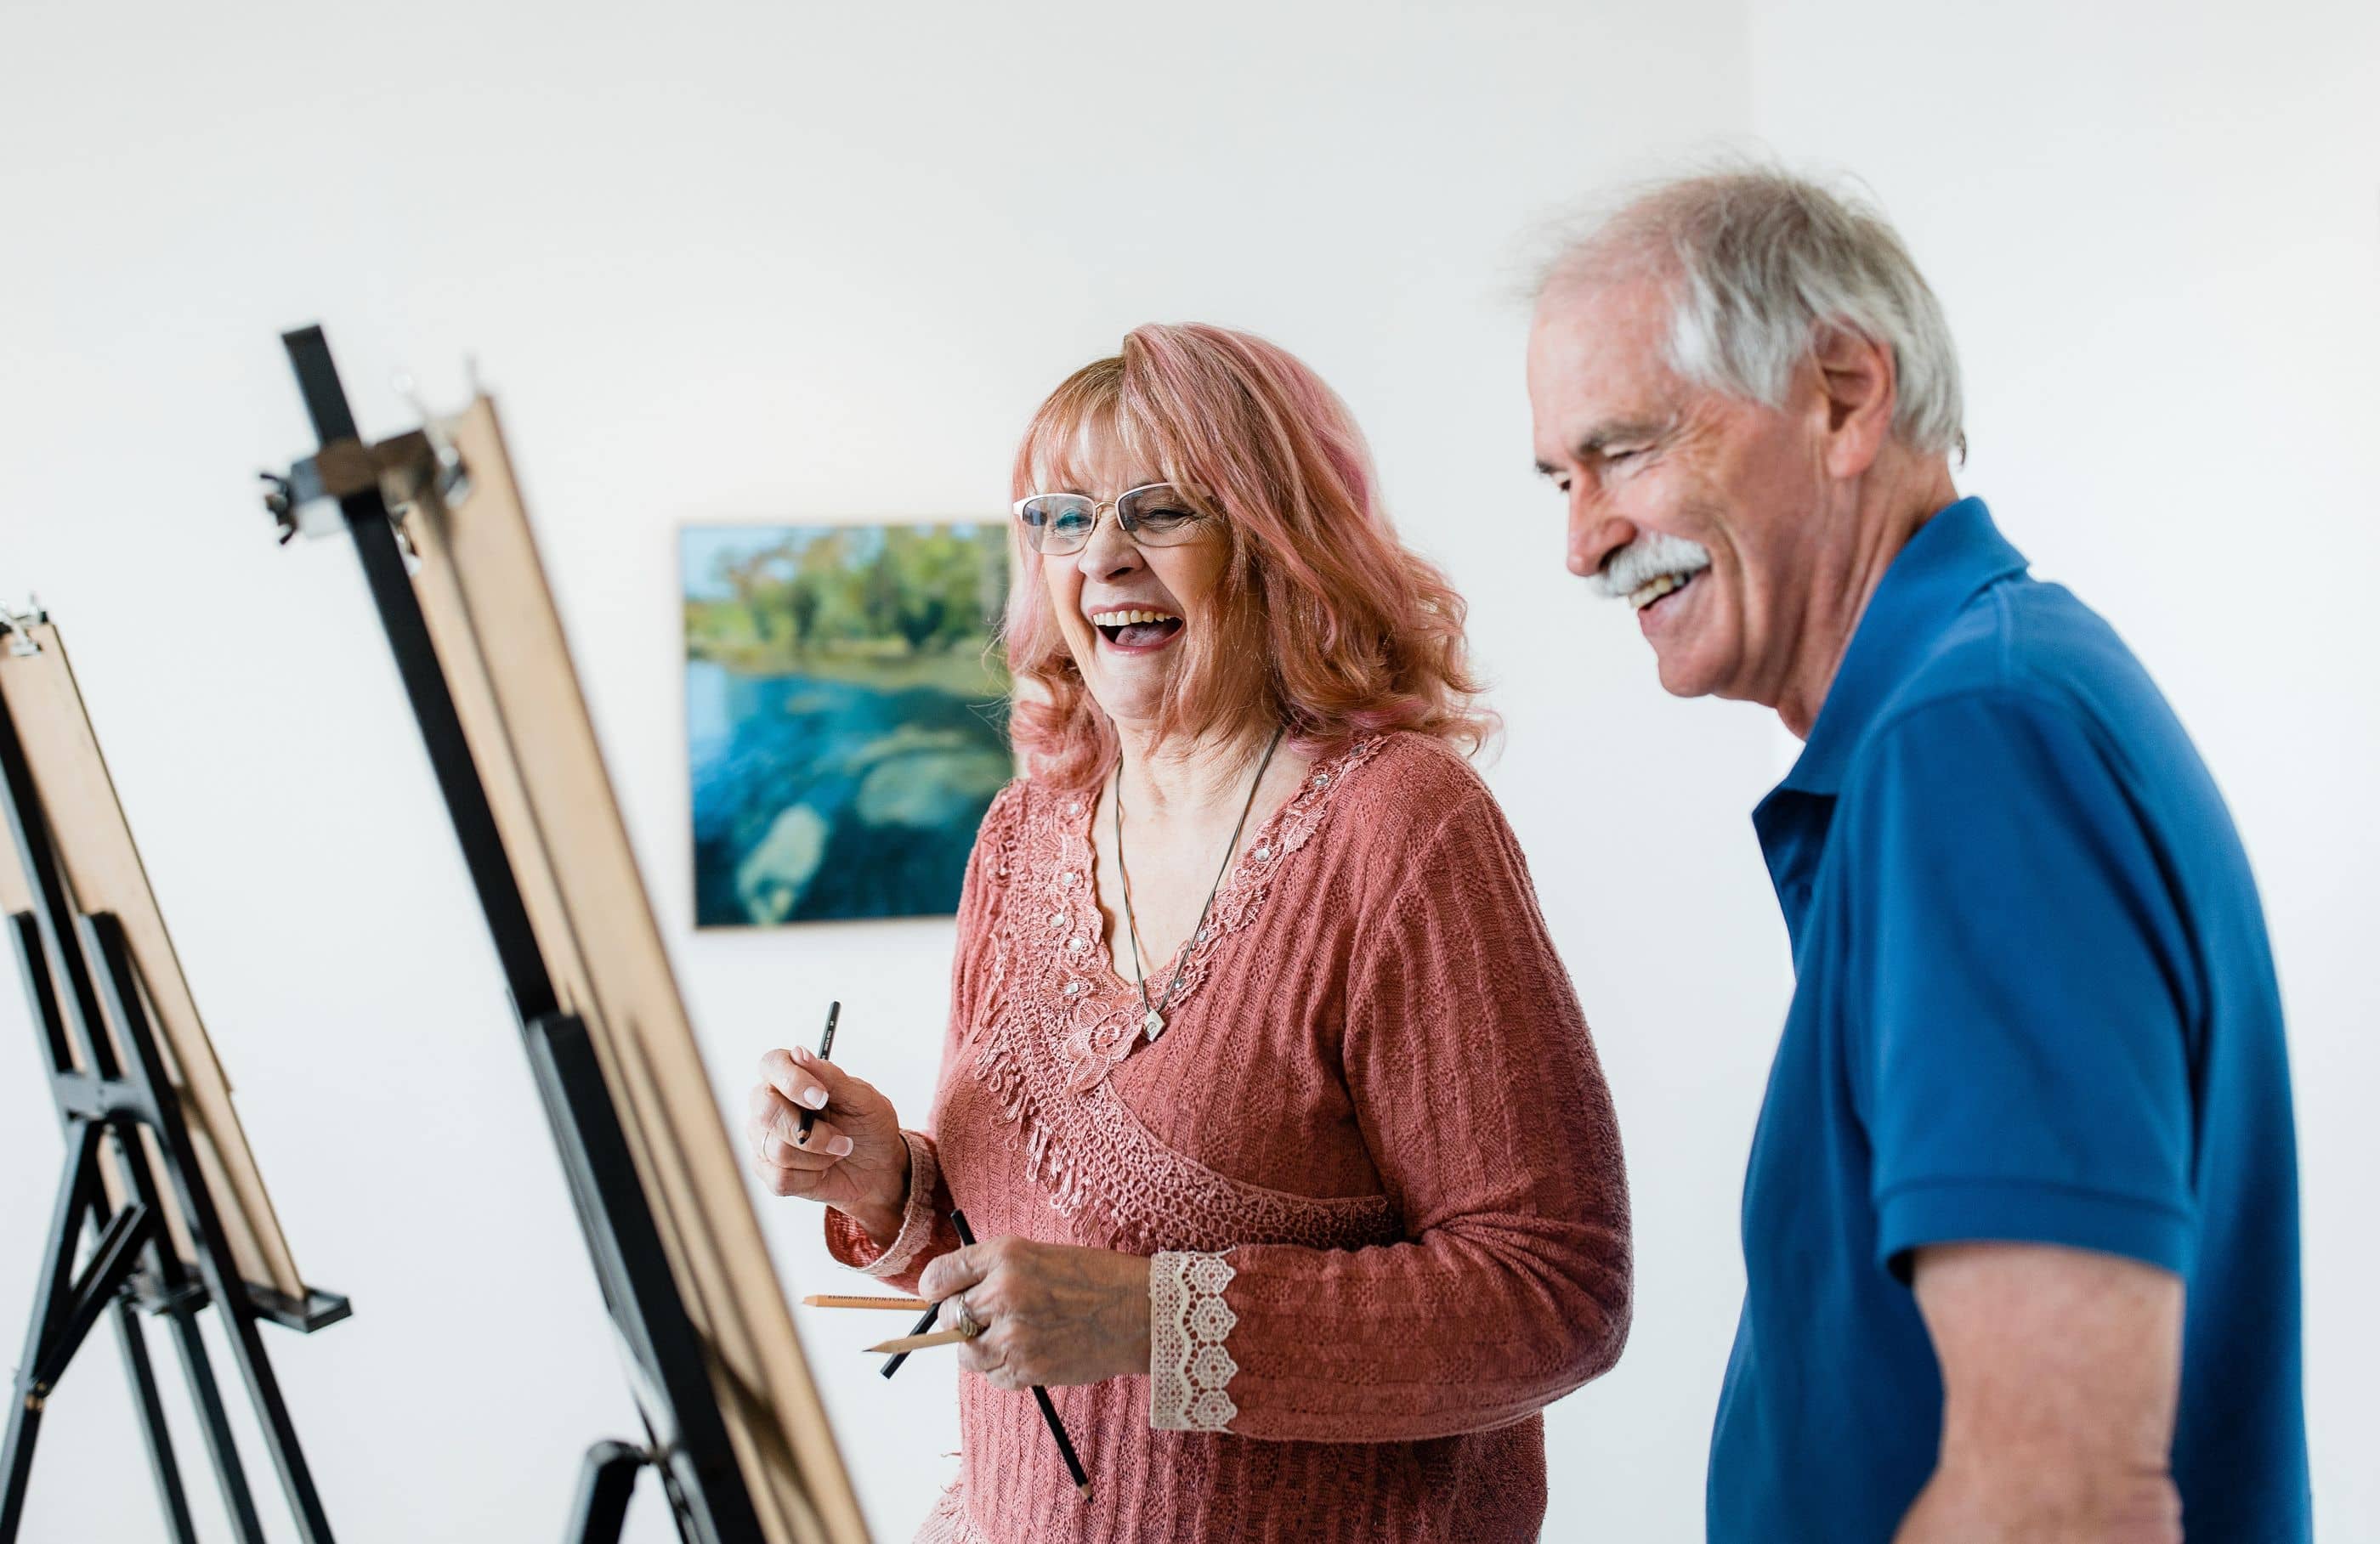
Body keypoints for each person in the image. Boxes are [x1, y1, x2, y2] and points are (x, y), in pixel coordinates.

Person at [748, 323, 1631, 1543]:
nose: (1101, 555)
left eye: (1159, 511)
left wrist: (1156, 1318)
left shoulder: (1401, 827)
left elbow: (1555, 1292)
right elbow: (1027, 1258)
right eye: (1062, 517)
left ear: (1275, 545)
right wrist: (889, 1183)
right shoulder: (1019, 834)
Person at [1526, 167, 2309, 1541]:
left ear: (1843, 394)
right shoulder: (1979, 707)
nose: (1583, 536)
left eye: (1626, 450)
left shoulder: (1977, 742)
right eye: (1561, 477)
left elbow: (2062, 1494)